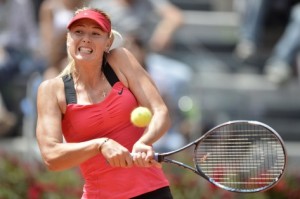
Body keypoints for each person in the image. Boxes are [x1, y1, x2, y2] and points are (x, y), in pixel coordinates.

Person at [36, 7, 173, 199]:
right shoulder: (51, 90)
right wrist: (100, 145)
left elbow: (160, 111)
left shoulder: (121, 59)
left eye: (95, 33)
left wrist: (144, 142)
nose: (86, 38)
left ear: (108, 42)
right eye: (78, 32)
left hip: (152, 191)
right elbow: (51, 157)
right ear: (68, 38)